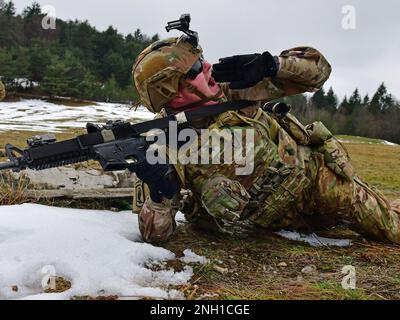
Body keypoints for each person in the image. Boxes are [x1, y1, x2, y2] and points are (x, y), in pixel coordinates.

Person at [132, 35, 400, 244]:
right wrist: (160, 194)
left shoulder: (233, 90)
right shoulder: (162, 143)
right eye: (195, 69)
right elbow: (156, 235)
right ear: (173, 92)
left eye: (202, 60)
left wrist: (272, 65)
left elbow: (319, 71)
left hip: (321, 184)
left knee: (394, 227)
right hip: (279, 222)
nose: (208, 67)